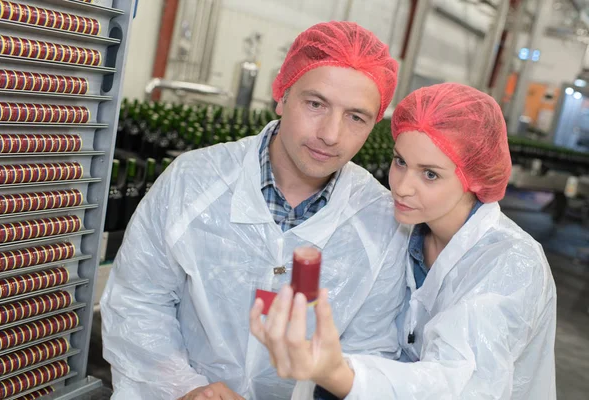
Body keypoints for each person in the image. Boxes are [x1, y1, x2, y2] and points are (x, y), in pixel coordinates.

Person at [100, 21, 408, 400]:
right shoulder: (193, 181)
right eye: (316, 104)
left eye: (355, 117)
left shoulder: (381, 221)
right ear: (282, 95)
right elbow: (138, 300)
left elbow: (371, 354)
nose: (331, 133)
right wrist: (184, 388)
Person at [250, 83, 557, 399]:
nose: (402, 187)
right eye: (400, 162)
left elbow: (462, 385)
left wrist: (338, 375)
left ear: (474, 177)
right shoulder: (408, 230)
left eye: (430, 174)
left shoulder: (512, 264)